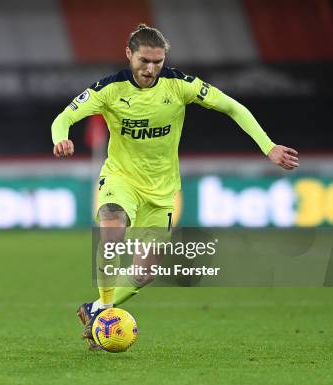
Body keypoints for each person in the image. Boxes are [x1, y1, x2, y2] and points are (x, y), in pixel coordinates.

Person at [50, 24, 299, 349]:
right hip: (121, 179)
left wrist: (269, 147)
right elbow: (62, 118)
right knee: (111, 227)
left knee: (144, 273)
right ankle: (106, 307)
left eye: (157, 61)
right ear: (129, 54)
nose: (151, 68)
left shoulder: (180, 85)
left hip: (162, 191)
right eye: (144, 61)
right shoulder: (108, 89)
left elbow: (232, 107)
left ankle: (96, 310)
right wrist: (61, 139)